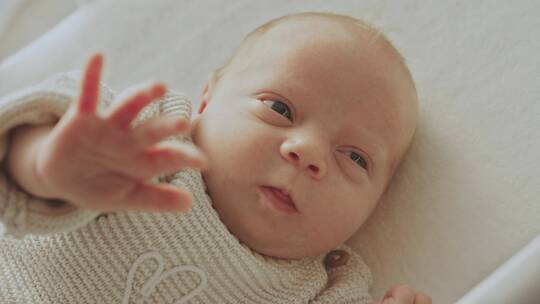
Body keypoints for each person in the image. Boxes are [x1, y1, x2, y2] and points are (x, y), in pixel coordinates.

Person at [0, 12, 430, 303]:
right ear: (206, 101)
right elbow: (18, 156)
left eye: (355, 158)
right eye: (279, 109)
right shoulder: (148, 146)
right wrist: (44, 165)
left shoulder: (323, 290)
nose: (308, 151)